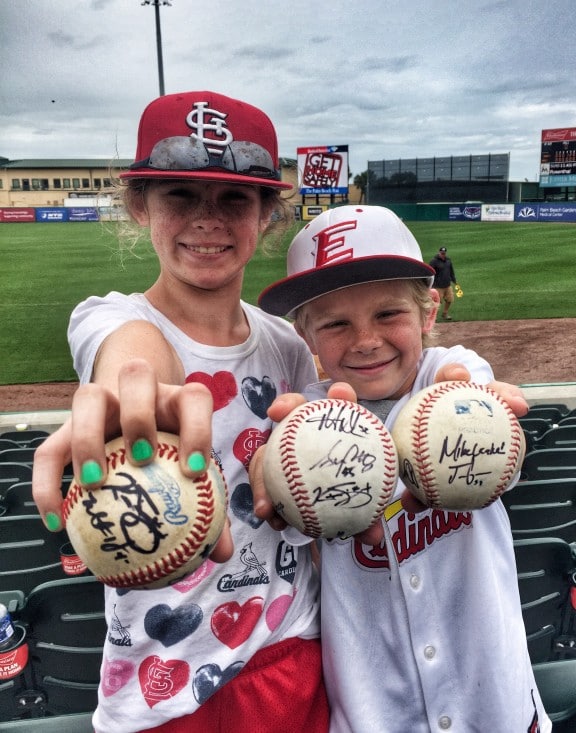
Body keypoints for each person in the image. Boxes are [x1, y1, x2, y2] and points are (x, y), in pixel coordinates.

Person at [32, 91, 329, 733]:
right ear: (140, 206)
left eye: (234, 199)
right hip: (158, 686)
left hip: (289, 652)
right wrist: (133, 390)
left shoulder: (287, 347)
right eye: (180, 197)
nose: (208, 220)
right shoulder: (113, 319)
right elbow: (132, 361)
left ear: (266, 214)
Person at [256, 205, 551, 732]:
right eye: (336, 323)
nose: (366, 340)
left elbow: (464, 381)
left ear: (429, 313)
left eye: (388, 314)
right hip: (377, 713)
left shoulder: (449, 378)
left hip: (497, 704)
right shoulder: (305, 429)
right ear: (305, 337)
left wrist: (472, 406)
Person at [429, 245, 457, 320]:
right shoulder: (434, 261)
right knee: (437, 302)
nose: (443, 254)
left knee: (450, 299)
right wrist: (430, 283)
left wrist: (454, 280)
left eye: (444, 253)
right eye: (442, 253)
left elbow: (451, 271)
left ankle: (445, 313)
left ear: (445, 253)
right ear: (439, 253)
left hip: (447, 285)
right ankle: (433, 316)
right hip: (438, 286)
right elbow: (430, 272)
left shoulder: (448, 260)